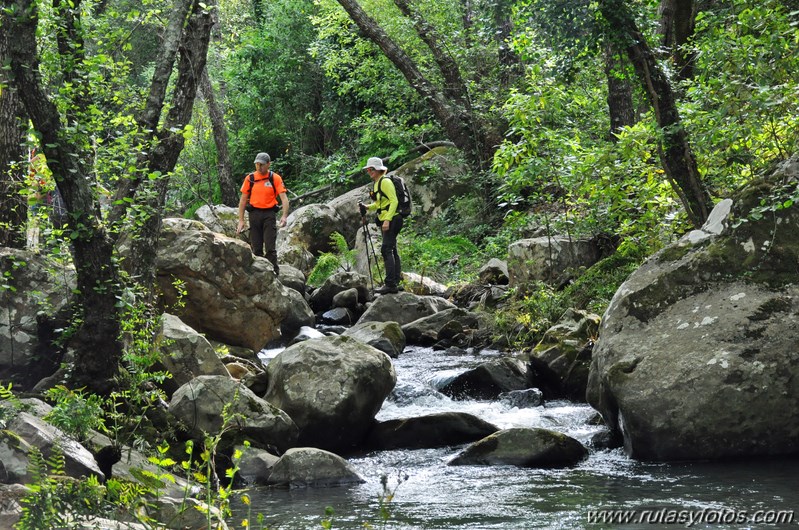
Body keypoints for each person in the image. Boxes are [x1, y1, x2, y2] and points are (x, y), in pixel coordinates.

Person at [237, 152, 289, 274]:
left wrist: (284, 216)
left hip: (269, 215)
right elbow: (243, 200)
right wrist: (241, 220)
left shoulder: (274, 178)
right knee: (257, 248)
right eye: (257, 164)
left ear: (268, 164)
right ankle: (260, 274)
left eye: (262, 165)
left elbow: (284, 198)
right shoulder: (250, 178)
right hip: (254, 214)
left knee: (270, 248)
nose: (259, 167)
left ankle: (274, 273)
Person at [358, 156, 403, 294]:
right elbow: (379, 204)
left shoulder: (385, 182)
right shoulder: (377, 183)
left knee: (386, 249)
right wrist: (367, 207)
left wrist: (387, 220)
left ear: (377, 170)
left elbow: (394, 201)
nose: (369, 171)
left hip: (393, 219)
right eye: (368, 169)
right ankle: (395, 282)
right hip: (387, 218)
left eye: (371, 169)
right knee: (392, 249)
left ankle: (390, 284)